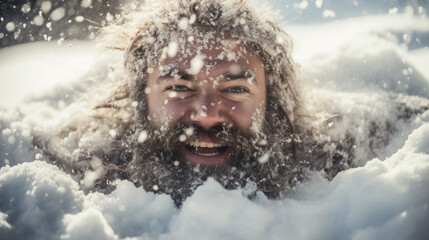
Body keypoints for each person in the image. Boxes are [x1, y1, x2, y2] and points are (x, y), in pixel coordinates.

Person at [34, 0, 429, 206]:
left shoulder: (332, 148)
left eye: (236, 89)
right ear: (140, 99)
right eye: (178, 87)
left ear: (274, 103)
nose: (206, 114)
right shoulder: (84, 163)